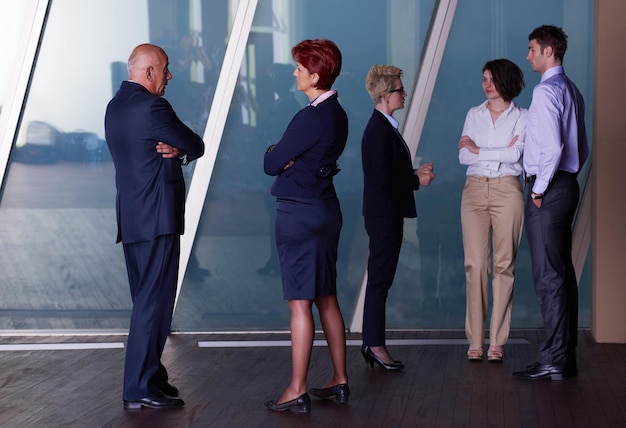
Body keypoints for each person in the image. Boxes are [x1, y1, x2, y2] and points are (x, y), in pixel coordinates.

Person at [104, 43, 205, 408]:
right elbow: (196, 142)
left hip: (132, 220)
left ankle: (152, 376)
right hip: (157, 219)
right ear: (149, 72)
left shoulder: (115, 107)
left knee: (146, 301)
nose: (169, 76)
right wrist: (182, 149)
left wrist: (175, 149)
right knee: (153, 304)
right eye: (165, 69)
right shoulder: (153, 107)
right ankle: (137, 389)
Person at [263, 39, 349, 413]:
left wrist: (279, 154)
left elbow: (271, 161)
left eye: (299, 68)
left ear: (315, 76)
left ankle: (296, 388)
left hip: (300, 212)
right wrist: (287, 157)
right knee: (325, 296)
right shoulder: (337, 112)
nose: (294, 72)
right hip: (325, 209)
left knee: (300, 303)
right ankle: (340, 379)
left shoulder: (309, 116)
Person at [512, 25, 589, 380]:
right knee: (562, 275)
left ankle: (553, 360)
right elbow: (580, 148)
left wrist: (539, 190)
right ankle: (563, 358)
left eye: (531, 49)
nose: (527, 55)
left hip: (550, 190)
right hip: (567, 186)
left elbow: (555, 148)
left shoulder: (545, 93)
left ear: (547, 51)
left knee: (549, 277)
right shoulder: (571, 89)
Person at [361, 64, 435, 370]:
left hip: (385, 213)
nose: (404, 94)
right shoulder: (379, 130)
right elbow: (383, 180)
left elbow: (388, 174)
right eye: (399, 90)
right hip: (383, 215)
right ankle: (374, 345)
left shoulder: (384, 126)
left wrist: (414, 174)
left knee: (381, 279)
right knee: (380, 280)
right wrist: (416, 180)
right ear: (384, 95)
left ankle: (373, 343)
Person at [458, 59, 527, 362]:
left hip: (507, 190)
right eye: (483, 78)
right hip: (473, 190)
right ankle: (475, 339)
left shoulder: (523, 117)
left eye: (492, 79)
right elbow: (462, 156)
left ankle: (497, 340)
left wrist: (480, 151)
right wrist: (496, 154)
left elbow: (517, 153)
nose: (486, 84)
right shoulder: (474, 114)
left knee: (504, 265)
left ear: (506, 81)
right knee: (475, 265)